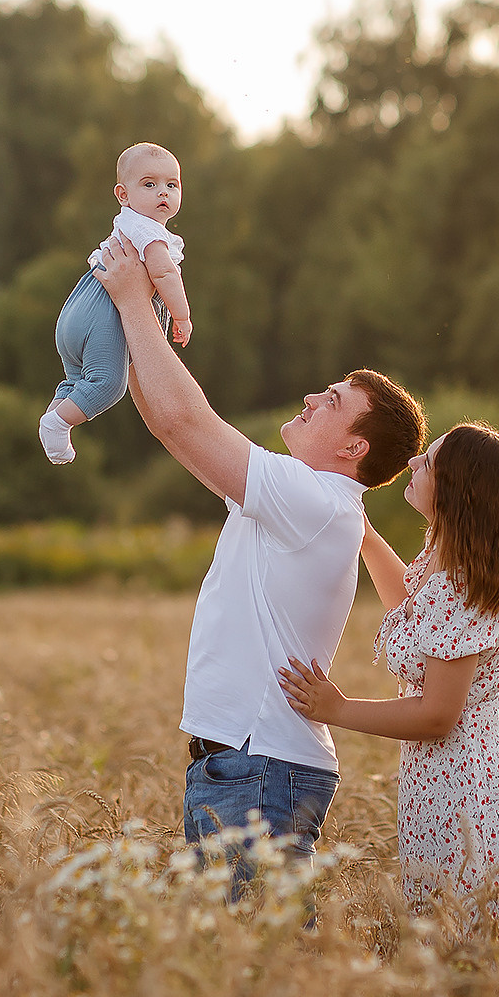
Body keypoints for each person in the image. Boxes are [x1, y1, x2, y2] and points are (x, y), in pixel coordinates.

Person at [90, 232, 424, 888]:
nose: (309, 398)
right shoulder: (300, 501)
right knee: (241, 965)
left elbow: (182, 421)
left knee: (254, 965)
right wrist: (138, 310)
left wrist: (133, 298)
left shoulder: (317, 499)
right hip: (244, 762)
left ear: (355, 447)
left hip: (259, 764)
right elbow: (168, 419)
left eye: (331, 401)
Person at [277, 423, 499, 920]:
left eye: (429, 462)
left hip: (473, 799)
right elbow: (413, 610)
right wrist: (365, 534)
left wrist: (339, 708)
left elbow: (438, 714)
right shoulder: (451, 569)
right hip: (462, 783)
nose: (414, 463)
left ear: (457, 491)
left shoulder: (461, 587)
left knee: (480, 953)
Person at [39, 142, 193, 464]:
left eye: (171, 185)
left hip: (77, 306)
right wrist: (182, 317)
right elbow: (164, 273)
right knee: (108, 385)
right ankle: (56, 423)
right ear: (123, 195)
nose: (162, 193)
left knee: (77, 381)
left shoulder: (126, 224)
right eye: (149, 185)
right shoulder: (148, 231)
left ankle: (56, 418)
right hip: (103, 315)